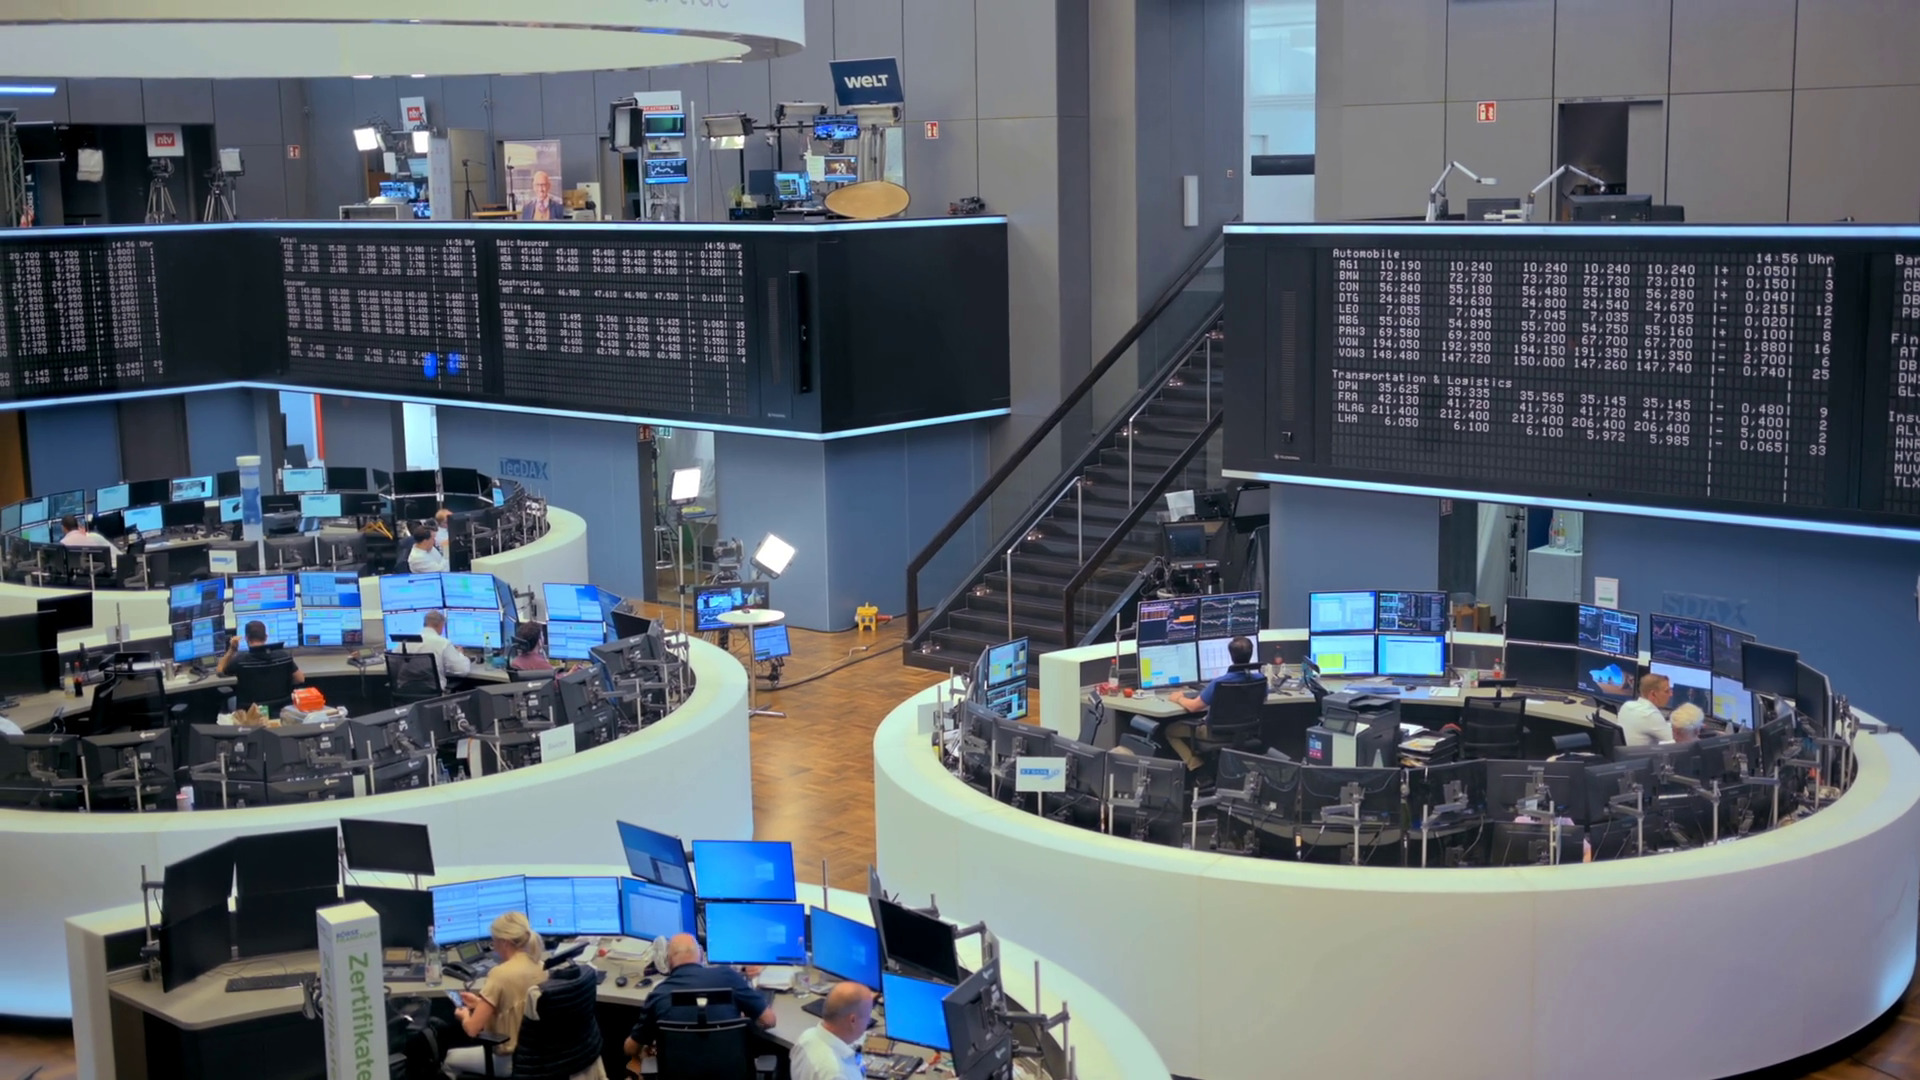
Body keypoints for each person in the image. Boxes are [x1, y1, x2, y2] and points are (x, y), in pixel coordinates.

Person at [623, 933, 774, 1063]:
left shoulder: (659, 994)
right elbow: (769, 1021)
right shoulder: (728, 976)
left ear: (668, 961)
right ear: (701, 954)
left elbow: (631, 1049)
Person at [446, 912, 548, 1076]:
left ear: (504, 942)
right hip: (540, 1056)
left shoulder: (499, 974)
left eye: (493, 941)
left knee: (449, 1059)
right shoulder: (541, 966)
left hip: (511, 1061)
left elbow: (472, 1029)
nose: (493, 945)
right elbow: (519, 1008)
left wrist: (464, 1015)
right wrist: (480, 1004)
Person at [1163, 636, 1266, 771]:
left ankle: (1196, 766)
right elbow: (1262, 700)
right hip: (1245, 733)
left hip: (1215, 733)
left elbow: (1193, 707)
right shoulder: (1260, 680)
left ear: (1231, 655)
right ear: (1251, 654)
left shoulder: (1219, 683)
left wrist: (1179, 698)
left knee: (1169, 730)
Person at [791, 981, 873, 1080]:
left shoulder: (806, 1037)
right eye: (868, 1017)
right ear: (853, 1020)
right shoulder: (838, 1074)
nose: (867, 1022)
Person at [216, 619, 306, 683]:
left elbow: (220, 671)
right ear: (266, 637)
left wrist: (232, 650)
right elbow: (300, 679)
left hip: (251, 705)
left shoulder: (240, 660)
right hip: (281, 704)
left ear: (246, 638)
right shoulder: (283, 656)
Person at [419, 610, 472, 691]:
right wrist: (460, 654)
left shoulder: (405, 642)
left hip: (405, 694)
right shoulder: (443, 643)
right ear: (440, 624)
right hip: (433, 694)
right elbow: (462, 670)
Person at [1616, 672, 1673, 746]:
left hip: (1626, 752)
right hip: (1641, 753)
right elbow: (1676, 740)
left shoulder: (1626, 705)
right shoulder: (1650, 715)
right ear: (1653, 694)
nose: (1671, 694)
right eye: (1667, 691)